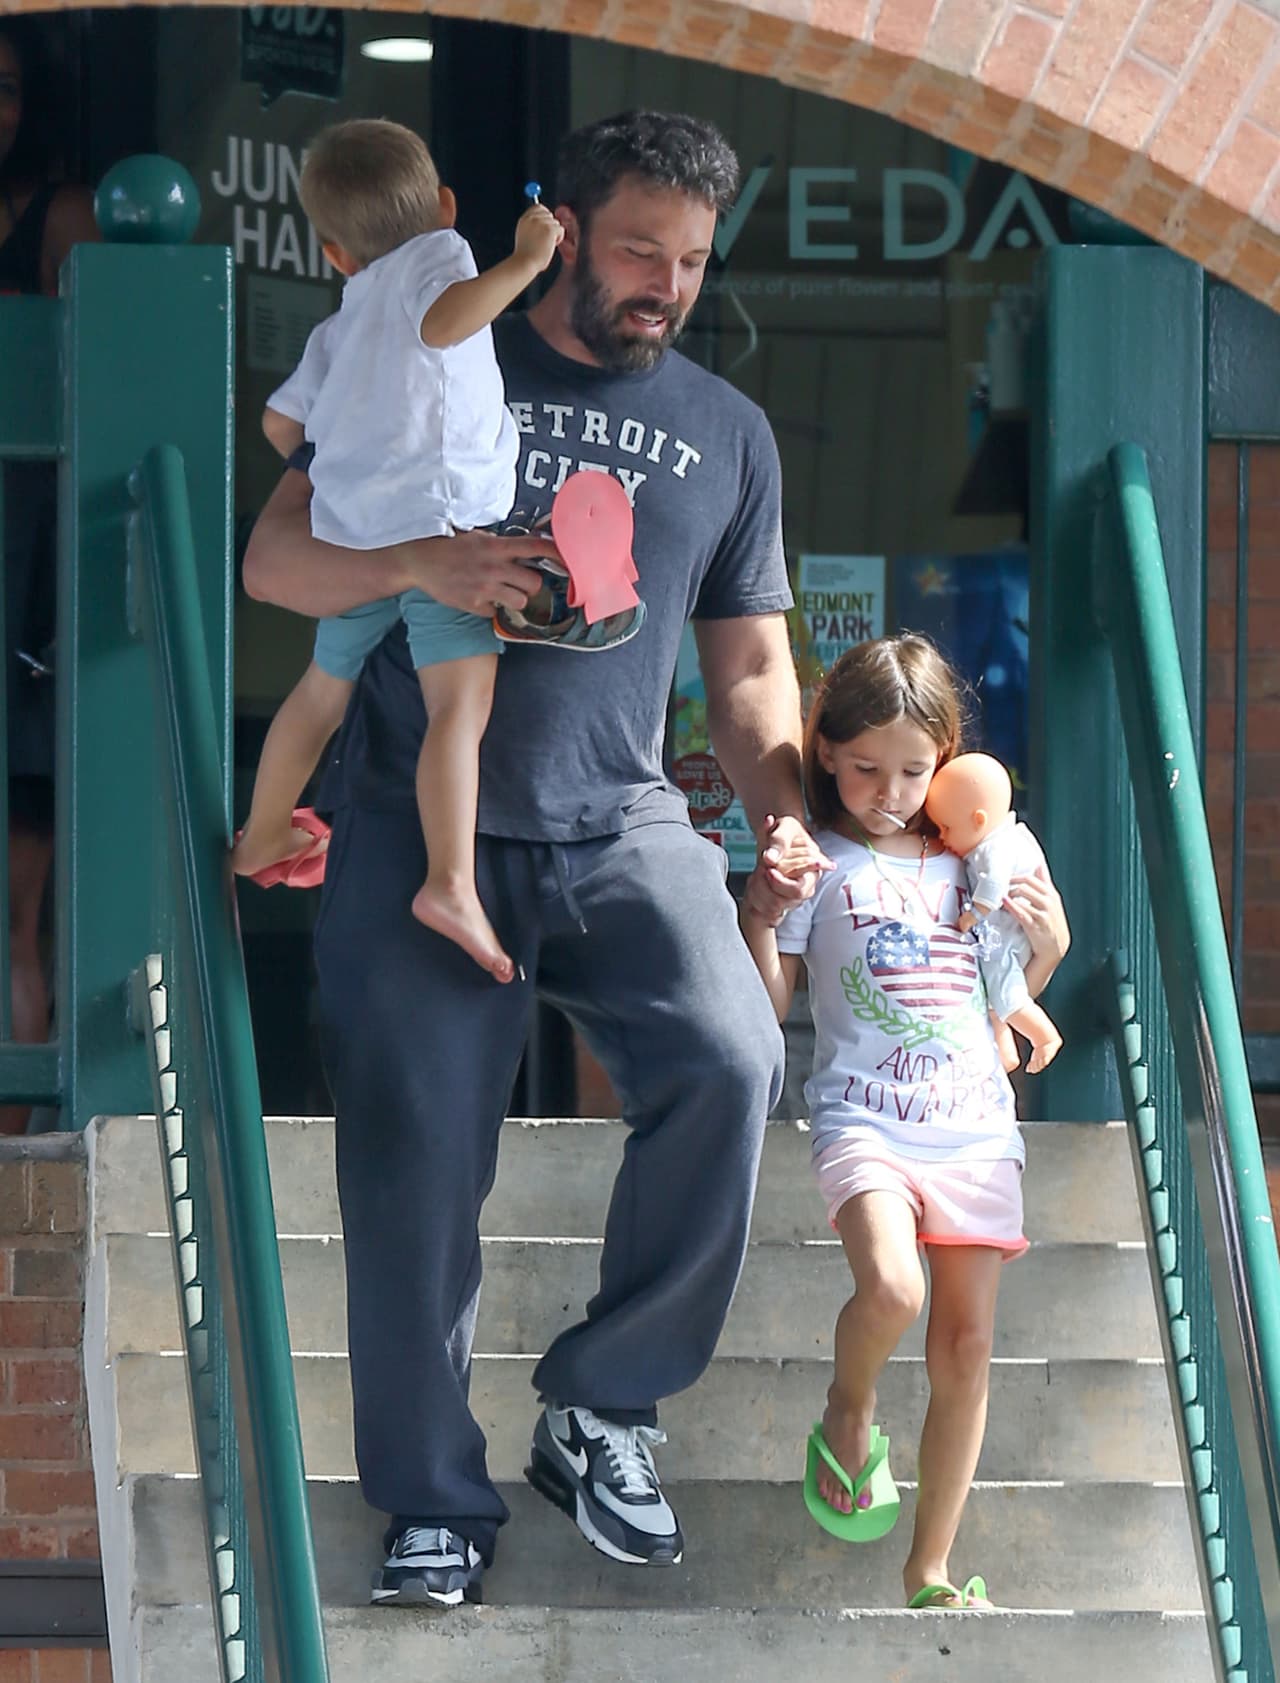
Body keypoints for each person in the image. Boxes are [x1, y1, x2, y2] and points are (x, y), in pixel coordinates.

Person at [243, 109, 828, 1607]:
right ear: (556, 226)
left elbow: (752, 665)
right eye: (640, 248)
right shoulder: (431, 340)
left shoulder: (727, 427)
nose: (668, 284)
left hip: (623, 815)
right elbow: (275, 561)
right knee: (415, 1168)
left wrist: (783, 807)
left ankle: (605, 1397)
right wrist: (415, 566)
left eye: (692, 260)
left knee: (730, 1052)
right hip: (424, 822)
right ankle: (433, 1499)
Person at [740, 635, 1069, 1611]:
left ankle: (928, 1568)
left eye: (912, 770)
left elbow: (999, 999)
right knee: (890, 1290)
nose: (888, 791)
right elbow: (769, 1005)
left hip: (971, 1119)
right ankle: (849, 1406)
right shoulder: (817, 858)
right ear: (827, 755)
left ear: (946, 762)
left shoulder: (976, 859)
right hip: (864, 1117)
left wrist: (1041, 951)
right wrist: (760, 915)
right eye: (864, 768)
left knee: (965, 1346)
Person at [232, 119, 566, 982]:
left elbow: (279, 424)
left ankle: (266, 829)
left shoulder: (339, 325)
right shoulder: (441, 253)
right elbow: (447, 324)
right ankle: (449, 881)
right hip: (443, 526)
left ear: (335, 255)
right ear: (445, 207)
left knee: (321, 688)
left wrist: (350, 457)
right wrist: (526, 262)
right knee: (458, 705)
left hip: (356, 533)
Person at [0, 18, 98, 1133]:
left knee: (12, 917)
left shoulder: (61, 219)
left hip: (23, 582)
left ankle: (17, 1169)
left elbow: (98, 387)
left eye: (11, 87)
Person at [925, 751, 1063, 1073]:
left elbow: (994, 883)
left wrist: (975, 913)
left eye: (946, 827)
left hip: (1007, 928)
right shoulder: (1012, 836)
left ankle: (1043, 1037)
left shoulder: (994, 847)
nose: (943, 837)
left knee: (1005, 988)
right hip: (1007, 927)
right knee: (992, 989)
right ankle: (1005, 1050)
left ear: (978, 820)